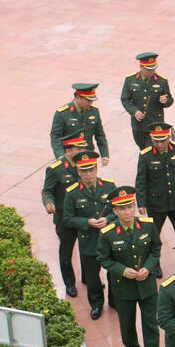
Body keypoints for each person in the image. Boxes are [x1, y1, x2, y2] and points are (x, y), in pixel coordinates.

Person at [96, 185, 169, 347]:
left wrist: (149, 267)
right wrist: (122, 270)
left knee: (151, 323)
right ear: (114, 210)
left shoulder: (147, 225)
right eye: (122, 208)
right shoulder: (108, 233)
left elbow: (156, 248)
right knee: (127, 323)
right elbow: (103, 258)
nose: (127, 212)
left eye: (130, 206)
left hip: (146, 284)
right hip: (124, 287)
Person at [135, 122, 175, 278]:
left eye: (163, 140)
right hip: (156, 203)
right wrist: (141, 203)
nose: (160, 144)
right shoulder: (145, 155)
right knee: (154, 236)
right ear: (152, 139)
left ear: (169, 137)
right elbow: (140, 181)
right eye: (156, 140)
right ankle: (155, 265)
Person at [63, 151, 115, 320]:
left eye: (91, 169)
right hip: (89, 242)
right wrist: (87, 223)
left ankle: (114, 301)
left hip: (110, 240)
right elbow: (68, 218)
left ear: (96, 169)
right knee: (92, 277)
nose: (88, 174)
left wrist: (107, 219)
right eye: (84, 171)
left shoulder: (109, 186)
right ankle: (96, 304)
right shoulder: (72, 193)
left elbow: (118, 210)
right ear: (78, 171)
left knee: (114, 273)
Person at [41, 129, 88, 298]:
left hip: (83, 216)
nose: (83, 152)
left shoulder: (85, 165)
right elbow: (47, 191)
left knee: (86, 249)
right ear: (68, 150)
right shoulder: (56, 169)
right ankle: (69, 283)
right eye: (79, 149)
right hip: (65, 219)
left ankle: (87, 278)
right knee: (66, 252)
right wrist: (49, 203)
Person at [120, 52, 173, 150]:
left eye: (153, 69)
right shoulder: (130, 80)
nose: (151, 71)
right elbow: (125, 99)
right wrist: (134, 111)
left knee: (151, 150)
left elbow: (170, 100)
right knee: (142, 149)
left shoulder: (162, 81)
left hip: (155, 123)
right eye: (148, 69)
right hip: (138, 124)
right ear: (141, 66)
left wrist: (165, 101)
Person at [49, 83, 109, 163]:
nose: (91, 103)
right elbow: (55, 136)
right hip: (70, 157)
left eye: (92, 100)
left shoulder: (94, 111)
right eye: (88, 100)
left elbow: (100, 135)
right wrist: (60, 155)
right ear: (78, 97)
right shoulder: (63, 113)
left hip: (87, 155)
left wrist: (104, 154)